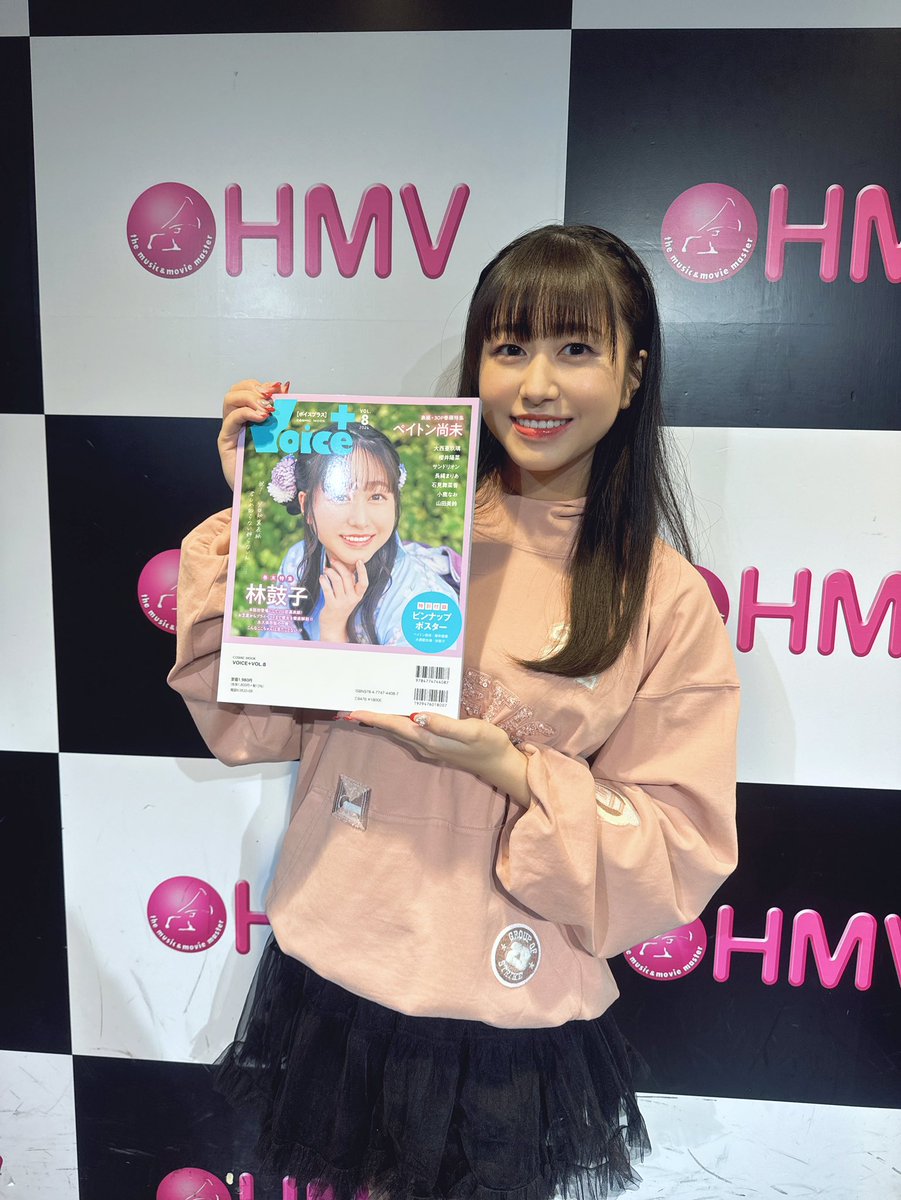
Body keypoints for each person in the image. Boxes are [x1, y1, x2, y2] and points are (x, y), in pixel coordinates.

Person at [168, 224, 740, 1200]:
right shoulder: (384, 522)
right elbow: (253, 717)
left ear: (633, 373)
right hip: (343, 972)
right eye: (510, 347)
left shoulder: (662, 597)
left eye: (576, 347)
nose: (537, 384)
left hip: (503, 1004)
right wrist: (264, 505)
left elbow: (678, 842)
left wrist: (511, 768)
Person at [260, 420, 460, 645]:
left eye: (377, 496)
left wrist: (333, 634)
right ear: (305, 505)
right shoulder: (298, 559)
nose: (360, 521)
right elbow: (275, 655)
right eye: (339, 496)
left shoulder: (424, 602)